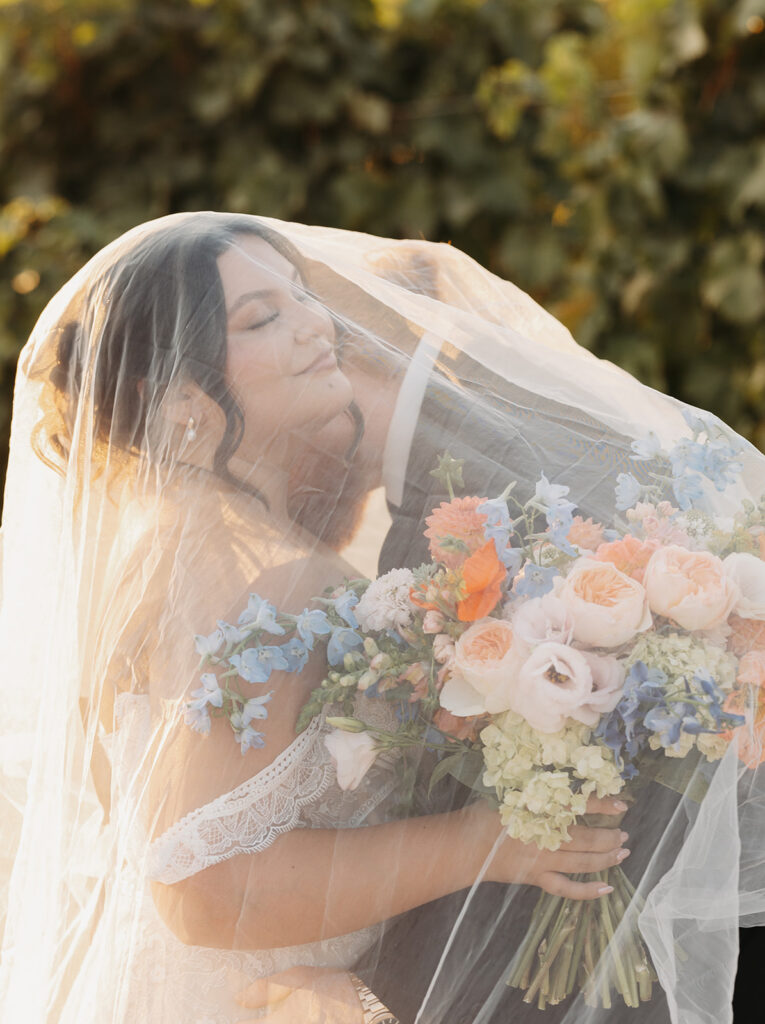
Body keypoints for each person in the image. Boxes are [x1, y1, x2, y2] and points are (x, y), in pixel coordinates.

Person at [0, 213, 632, 1024]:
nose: (315, 325)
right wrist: (490, 843)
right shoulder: (271, 585)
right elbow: (199, 889)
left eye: (302, 297)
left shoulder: (153, 567)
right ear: (186, 398)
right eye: (264, 318)